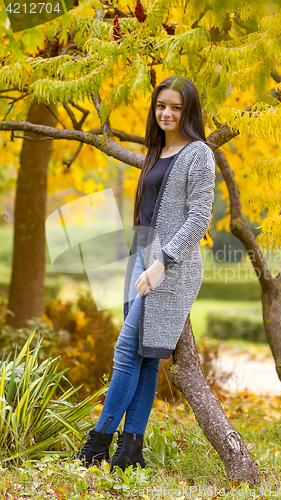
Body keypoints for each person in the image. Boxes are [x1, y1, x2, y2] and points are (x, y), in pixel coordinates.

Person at [73, 75, 216, 470]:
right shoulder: (155, 151)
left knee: (125, 350)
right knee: (144, 356)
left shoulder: (200, 154)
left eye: (175, 107)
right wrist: (141, 259)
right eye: (161, 106)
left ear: (188, 112)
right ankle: (130, 449)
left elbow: (198, 217)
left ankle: (98, 442)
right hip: (142, 257)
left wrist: (161, 263)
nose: (167, 113)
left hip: (173, 267)